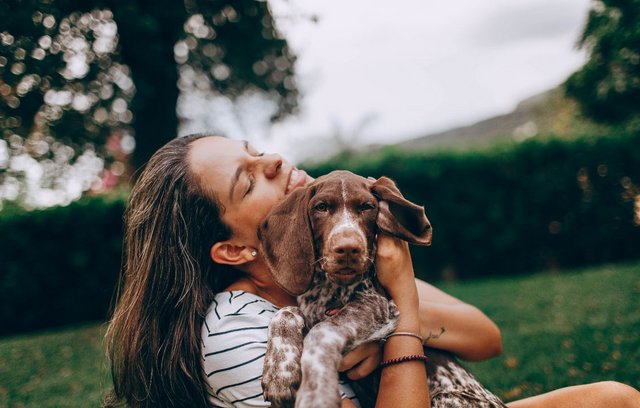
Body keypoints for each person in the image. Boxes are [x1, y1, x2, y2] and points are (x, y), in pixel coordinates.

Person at [104, 133, 640, 408]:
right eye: (249, 182)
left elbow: (486, 337)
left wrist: (382, 323)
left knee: (617, 399)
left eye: (256, 150)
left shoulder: (348, 265)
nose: (273, 162)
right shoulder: (236, 330)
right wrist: (402, 310)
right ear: (233, 251)